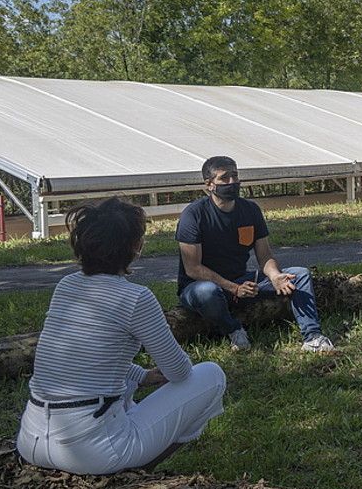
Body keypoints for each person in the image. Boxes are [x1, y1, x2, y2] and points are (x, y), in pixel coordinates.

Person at [17, 198, 227, 475]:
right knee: (210, 375)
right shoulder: (136, 297)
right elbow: (179, 372)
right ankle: (136, 473)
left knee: (122, 395)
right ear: (135, 247)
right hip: (91, 452)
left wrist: (140, 375)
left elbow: (83, 358)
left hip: (30, 440)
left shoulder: (66, 285)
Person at [176, 156, 335, 353]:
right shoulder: (193, 215)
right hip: (201, 287)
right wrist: (233, 288)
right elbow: (193, 268)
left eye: (235, 176)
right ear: (209, 185)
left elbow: (265, 256)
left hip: (242, 282)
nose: (232, 182)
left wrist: (275, 276)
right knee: (207, 292)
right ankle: (234, 330)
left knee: (299, 274)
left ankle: (313, 337)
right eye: (224, 178)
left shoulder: (250, 210)